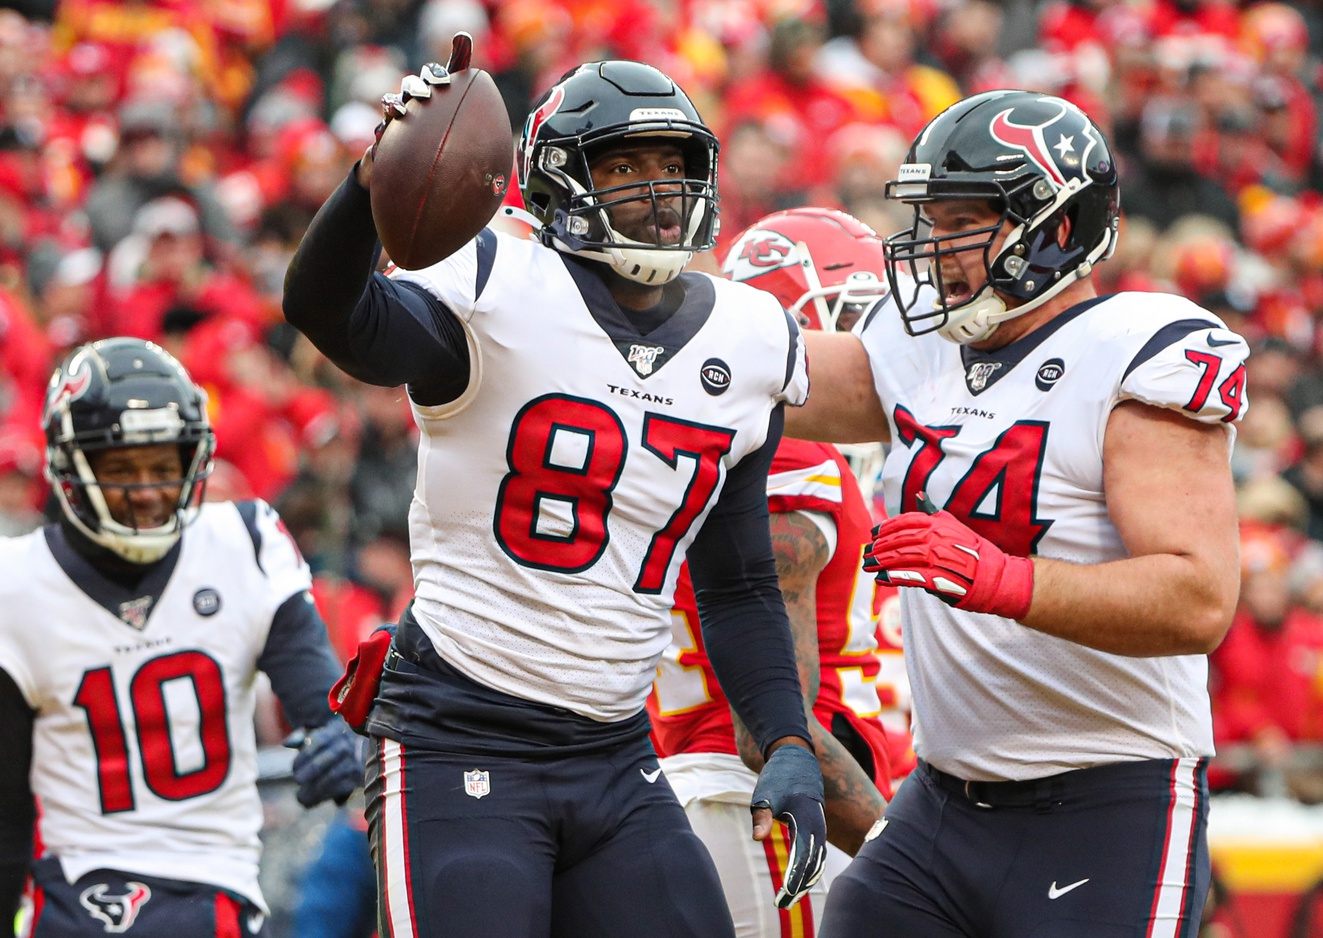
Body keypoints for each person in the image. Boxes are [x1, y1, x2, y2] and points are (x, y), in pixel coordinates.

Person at [281, 39, 828, 938]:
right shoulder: (497, 280)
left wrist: (787, 740)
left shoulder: (752, 335)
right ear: (561, 182)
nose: (657, 188)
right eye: (624, 166)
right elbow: (330, 313)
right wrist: (372, 181)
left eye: (672, 164)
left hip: (614, 749)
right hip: (459, 729)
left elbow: (733, 580)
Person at [784, 90, 1246, 937]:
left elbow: (1198, 600)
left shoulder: (1138, 346)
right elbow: (762, 374)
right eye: (930, 220)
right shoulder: (919, 345)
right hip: (941, 800)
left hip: (1106, 798)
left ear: (1057, 231)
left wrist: (996, 578)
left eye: (964, 221)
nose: (933, 247)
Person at [0, 337, 362, 936]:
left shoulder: (242, 542)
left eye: (164, 466)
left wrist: (342, 740)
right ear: (71, 467)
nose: (147, 490)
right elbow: (7, 806)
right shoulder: (19, 585)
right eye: (122, 468)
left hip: (212, 880)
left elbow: (320, 701)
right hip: (75, 886)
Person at [648, 207, 916, 938]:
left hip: (736, 799)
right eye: (857, 316)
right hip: (760, 806)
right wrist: (911, 864)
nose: (882, 345)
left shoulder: (769, 446)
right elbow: (766, 729)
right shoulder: (789, 451)